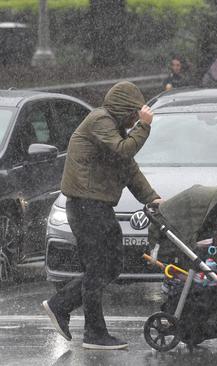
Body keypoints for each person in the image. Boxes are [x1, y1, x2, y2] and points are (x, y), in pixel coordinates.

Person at [41, 81, 162, 350]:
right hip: (85, 206)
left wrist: (151, 197)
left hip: (98, 207)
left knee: (112, 265)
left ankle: (60, 305)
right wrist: (145, 126)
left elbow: (129, 169)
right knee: (98, 268)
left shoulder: (115, 129)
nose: (134, 122)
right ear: (123, 110)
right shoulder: (100, 120)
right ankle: (94, 333)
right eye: (133, 115)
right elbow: (124, 150)